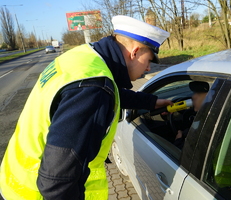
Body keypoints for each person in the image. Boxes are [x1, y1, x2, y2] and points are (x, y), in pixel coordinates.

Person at [0, 15, 172, 200]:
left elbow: (107, 92)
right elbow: (58, 183)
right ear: (135, 52)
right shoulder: (93, 90)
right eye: (148, 61)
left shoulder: (84, 59)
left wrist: (150, 102)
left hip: (16, 182)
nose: (148, 69)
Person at [174, 81, 209, 149]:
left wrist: (178, 141)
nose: (193, 96)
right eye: (195, 93)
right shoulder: (211, 117)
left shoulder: (208, 126)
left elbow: (185, 154)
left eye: (199, 94)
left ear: (211, 96)